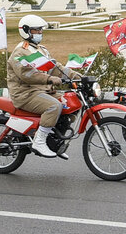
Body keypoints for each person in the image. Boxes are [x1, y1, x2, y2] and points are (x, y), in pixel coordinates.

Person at [7, 14, 76, 158]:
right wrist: (50, 79)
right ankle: (39, 142)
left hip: (43, 91)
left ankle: (54, 141)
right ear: (25, 31)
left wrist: (79, 77)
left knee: (72, 104)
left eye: (40, 30)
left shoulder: (40, 50)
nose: (40, 33)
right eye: (36, 30)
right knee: (54, 106)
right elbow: (27, 74)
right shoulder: (20, 51)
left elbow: (56, 68)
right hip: (25, 94)